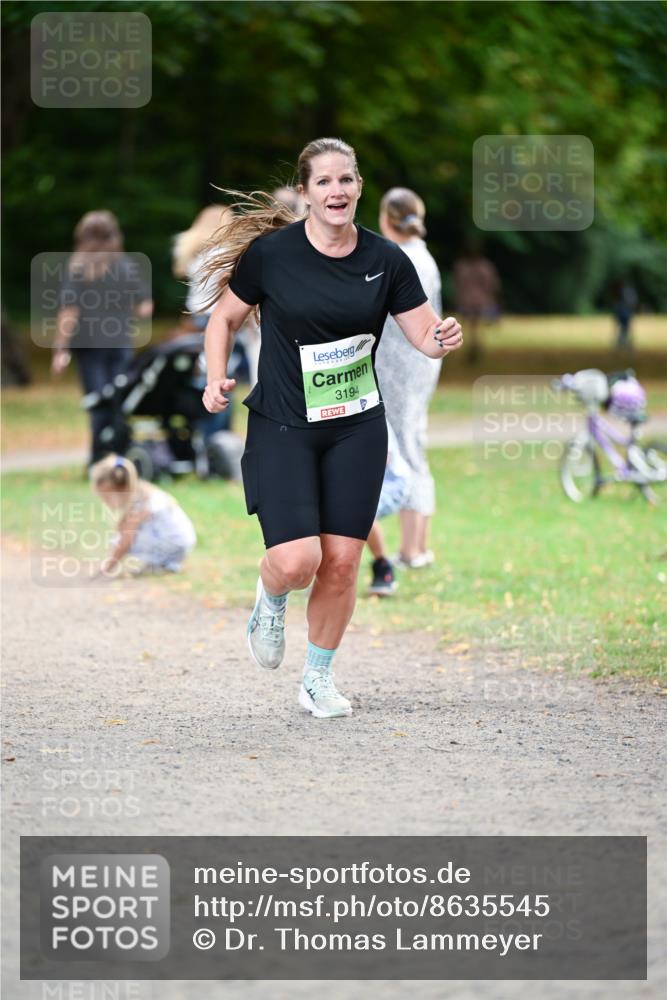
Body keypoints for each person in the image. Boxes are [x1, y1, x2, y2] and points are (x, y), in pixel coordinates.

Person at [202, 137, 463, 719]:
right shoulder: (273, 255)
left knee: (343, 562)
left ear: (359, 188)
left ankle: (317, 678)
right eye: (323, 182)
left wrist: (441, 339)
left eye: (345, 180)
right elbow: (223, 317)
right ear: (305, 193)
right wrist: (216, 378)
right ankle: (270, 598)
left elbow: (423, 336)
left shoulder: (386, 260)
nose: (336, 190)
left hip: (357, 428)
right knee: (298, 562)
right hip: (284, 424)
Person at [374, 187, 443, 571]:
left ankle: (413, 549)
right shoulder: (423, 256)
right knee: (413, 441)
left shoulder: (402, 259)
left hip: (400, 365)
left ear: (387, 218)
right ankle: (415, 545)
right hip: (418, 365)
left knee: (406, 448)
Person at [51, 211, 153, 465]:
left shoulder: (78, 269)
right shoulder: (126, 266)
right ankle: (120, 453)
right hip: (120, 343)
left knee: (97, 401)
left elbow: (69, 312)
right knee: (119, 400)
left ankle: (98, 457)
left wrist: (60, 350)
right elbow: (144, 308)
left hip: (89, 346)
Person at [91, 454, 196, 577]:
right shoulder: (143, 491)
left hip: (175, 543)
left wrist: (106, 569)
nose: (105, 503)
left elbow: (125, 542)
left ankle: (162, 563)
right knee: (122, 534)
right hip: (182, 542)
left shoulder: (140, 502)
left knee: (120, 538)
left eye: (107, 497)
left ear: (121, 488)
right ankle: (165, 564)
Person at [366, 421, 411, 596]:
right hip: (357, 481)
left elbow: (381, 458)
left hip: (391, 483)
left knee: (358, 512)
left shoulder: (370, 412)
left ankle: (383, 566)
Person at [453, 238, 500, 363]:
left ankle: (474, 348)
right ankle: (475, 348)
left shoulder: (462, 266)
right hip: (478, 301)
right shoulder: (484, 266)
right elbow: (491, 285)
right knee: (475, 327)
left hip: (469, 301)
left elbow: (458, 284)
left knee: (472, 327)